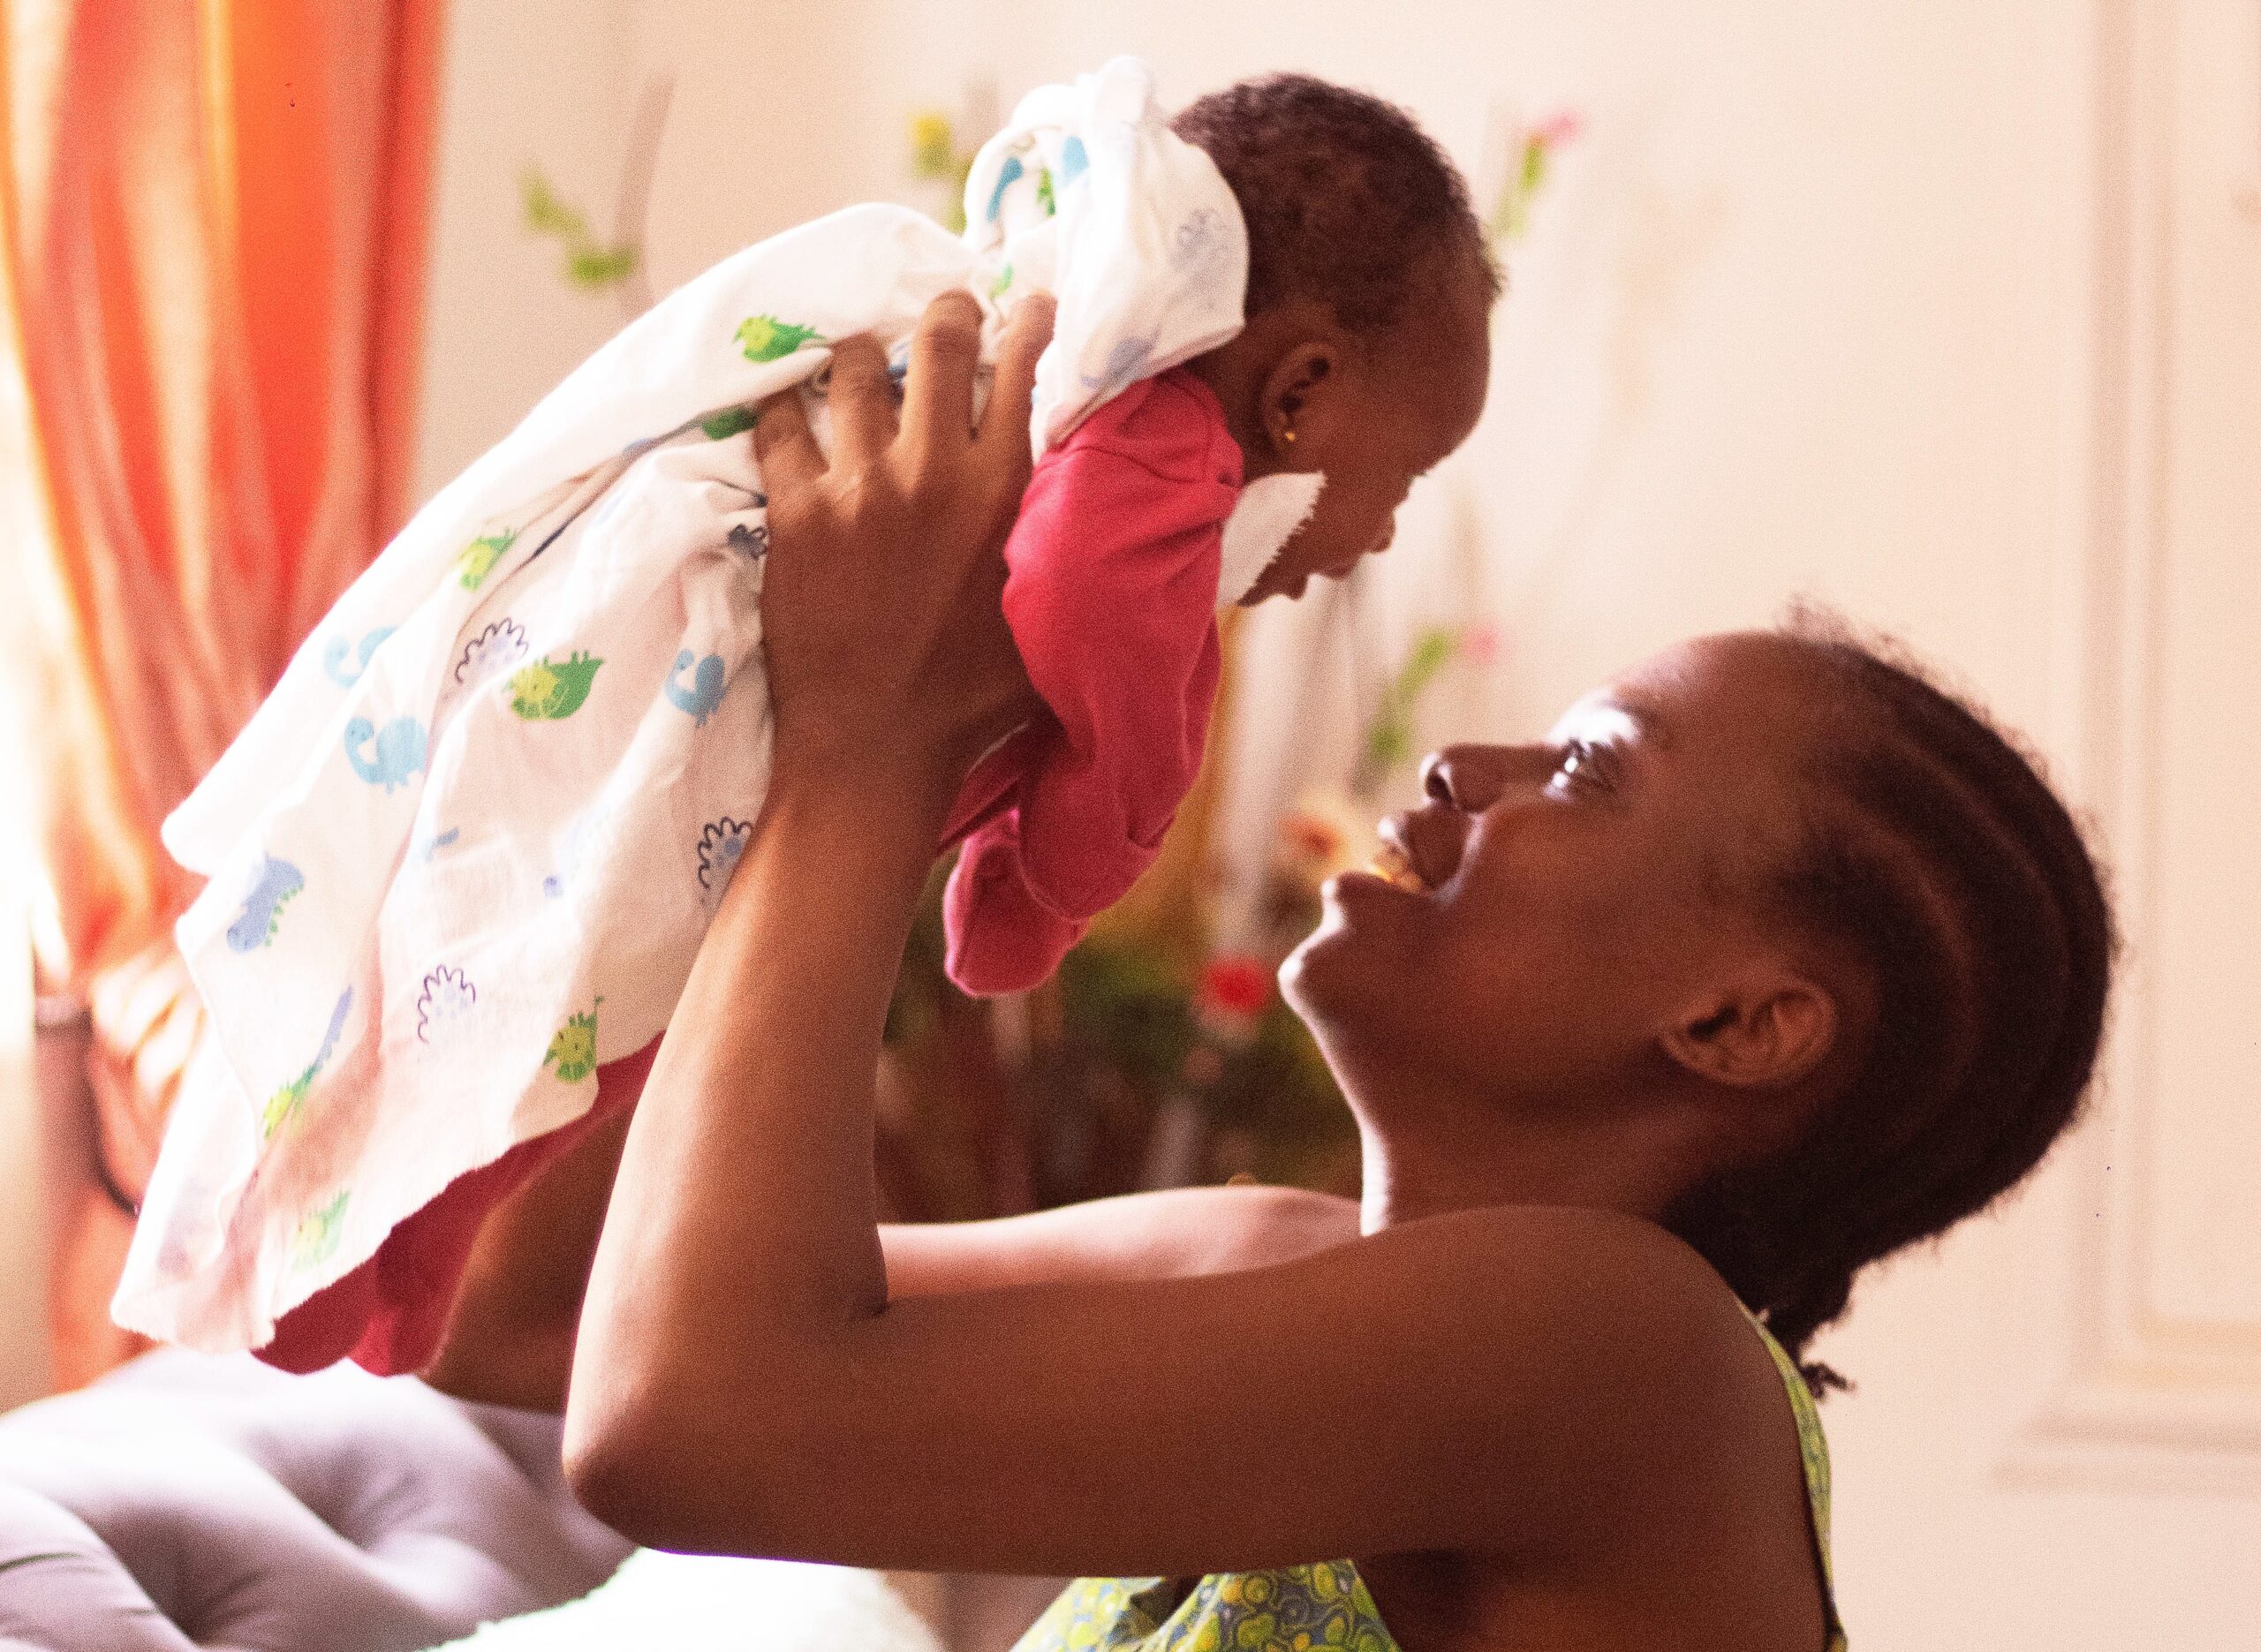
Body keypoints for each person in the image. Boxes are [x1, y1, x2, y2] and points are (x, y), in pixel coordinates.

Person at [426, 292, 2112, 1651]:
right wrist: (798, 738)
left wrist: (867, 748)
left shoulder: (1631, 1363)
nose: (1467, 767)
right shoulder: (1262, 1258)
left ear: (1739, 1025)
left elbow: (681, 1426)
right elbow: (517, 1320)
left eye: (1590, 771)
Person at [117, 68, 1495, 1380]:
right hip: (713, 691)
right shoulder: (1162, 443)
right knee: (559, 1022)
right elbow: (1097, 634)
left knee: (529, 1011)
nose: (1380, 534)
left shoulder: (1111, 396)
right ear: (1299, 395)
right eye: (1406, 479)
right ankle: (346, 1276)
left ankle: (360, 1271)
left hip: (687, 677)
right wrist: (1050, 874)